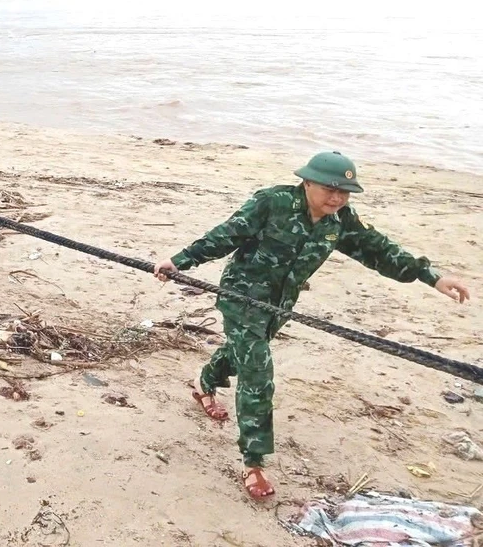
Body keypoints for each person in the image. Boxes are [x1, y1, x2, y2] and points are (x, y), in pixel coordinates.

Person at [153, 151, 472, 501]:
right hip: (242, 298)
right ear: (307, 181)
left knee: (242, 354)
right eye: (329, 189)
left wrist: (432, 277)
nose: (337, 197)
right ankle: (254, 462)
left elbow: (380, 250)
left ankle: (204, 383)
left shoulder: (341, 221)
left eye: (345, 191)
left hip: (281, 305)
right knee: (258, 371)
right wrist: (179, 261)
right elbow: (226, 235)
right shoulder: (271, 202)